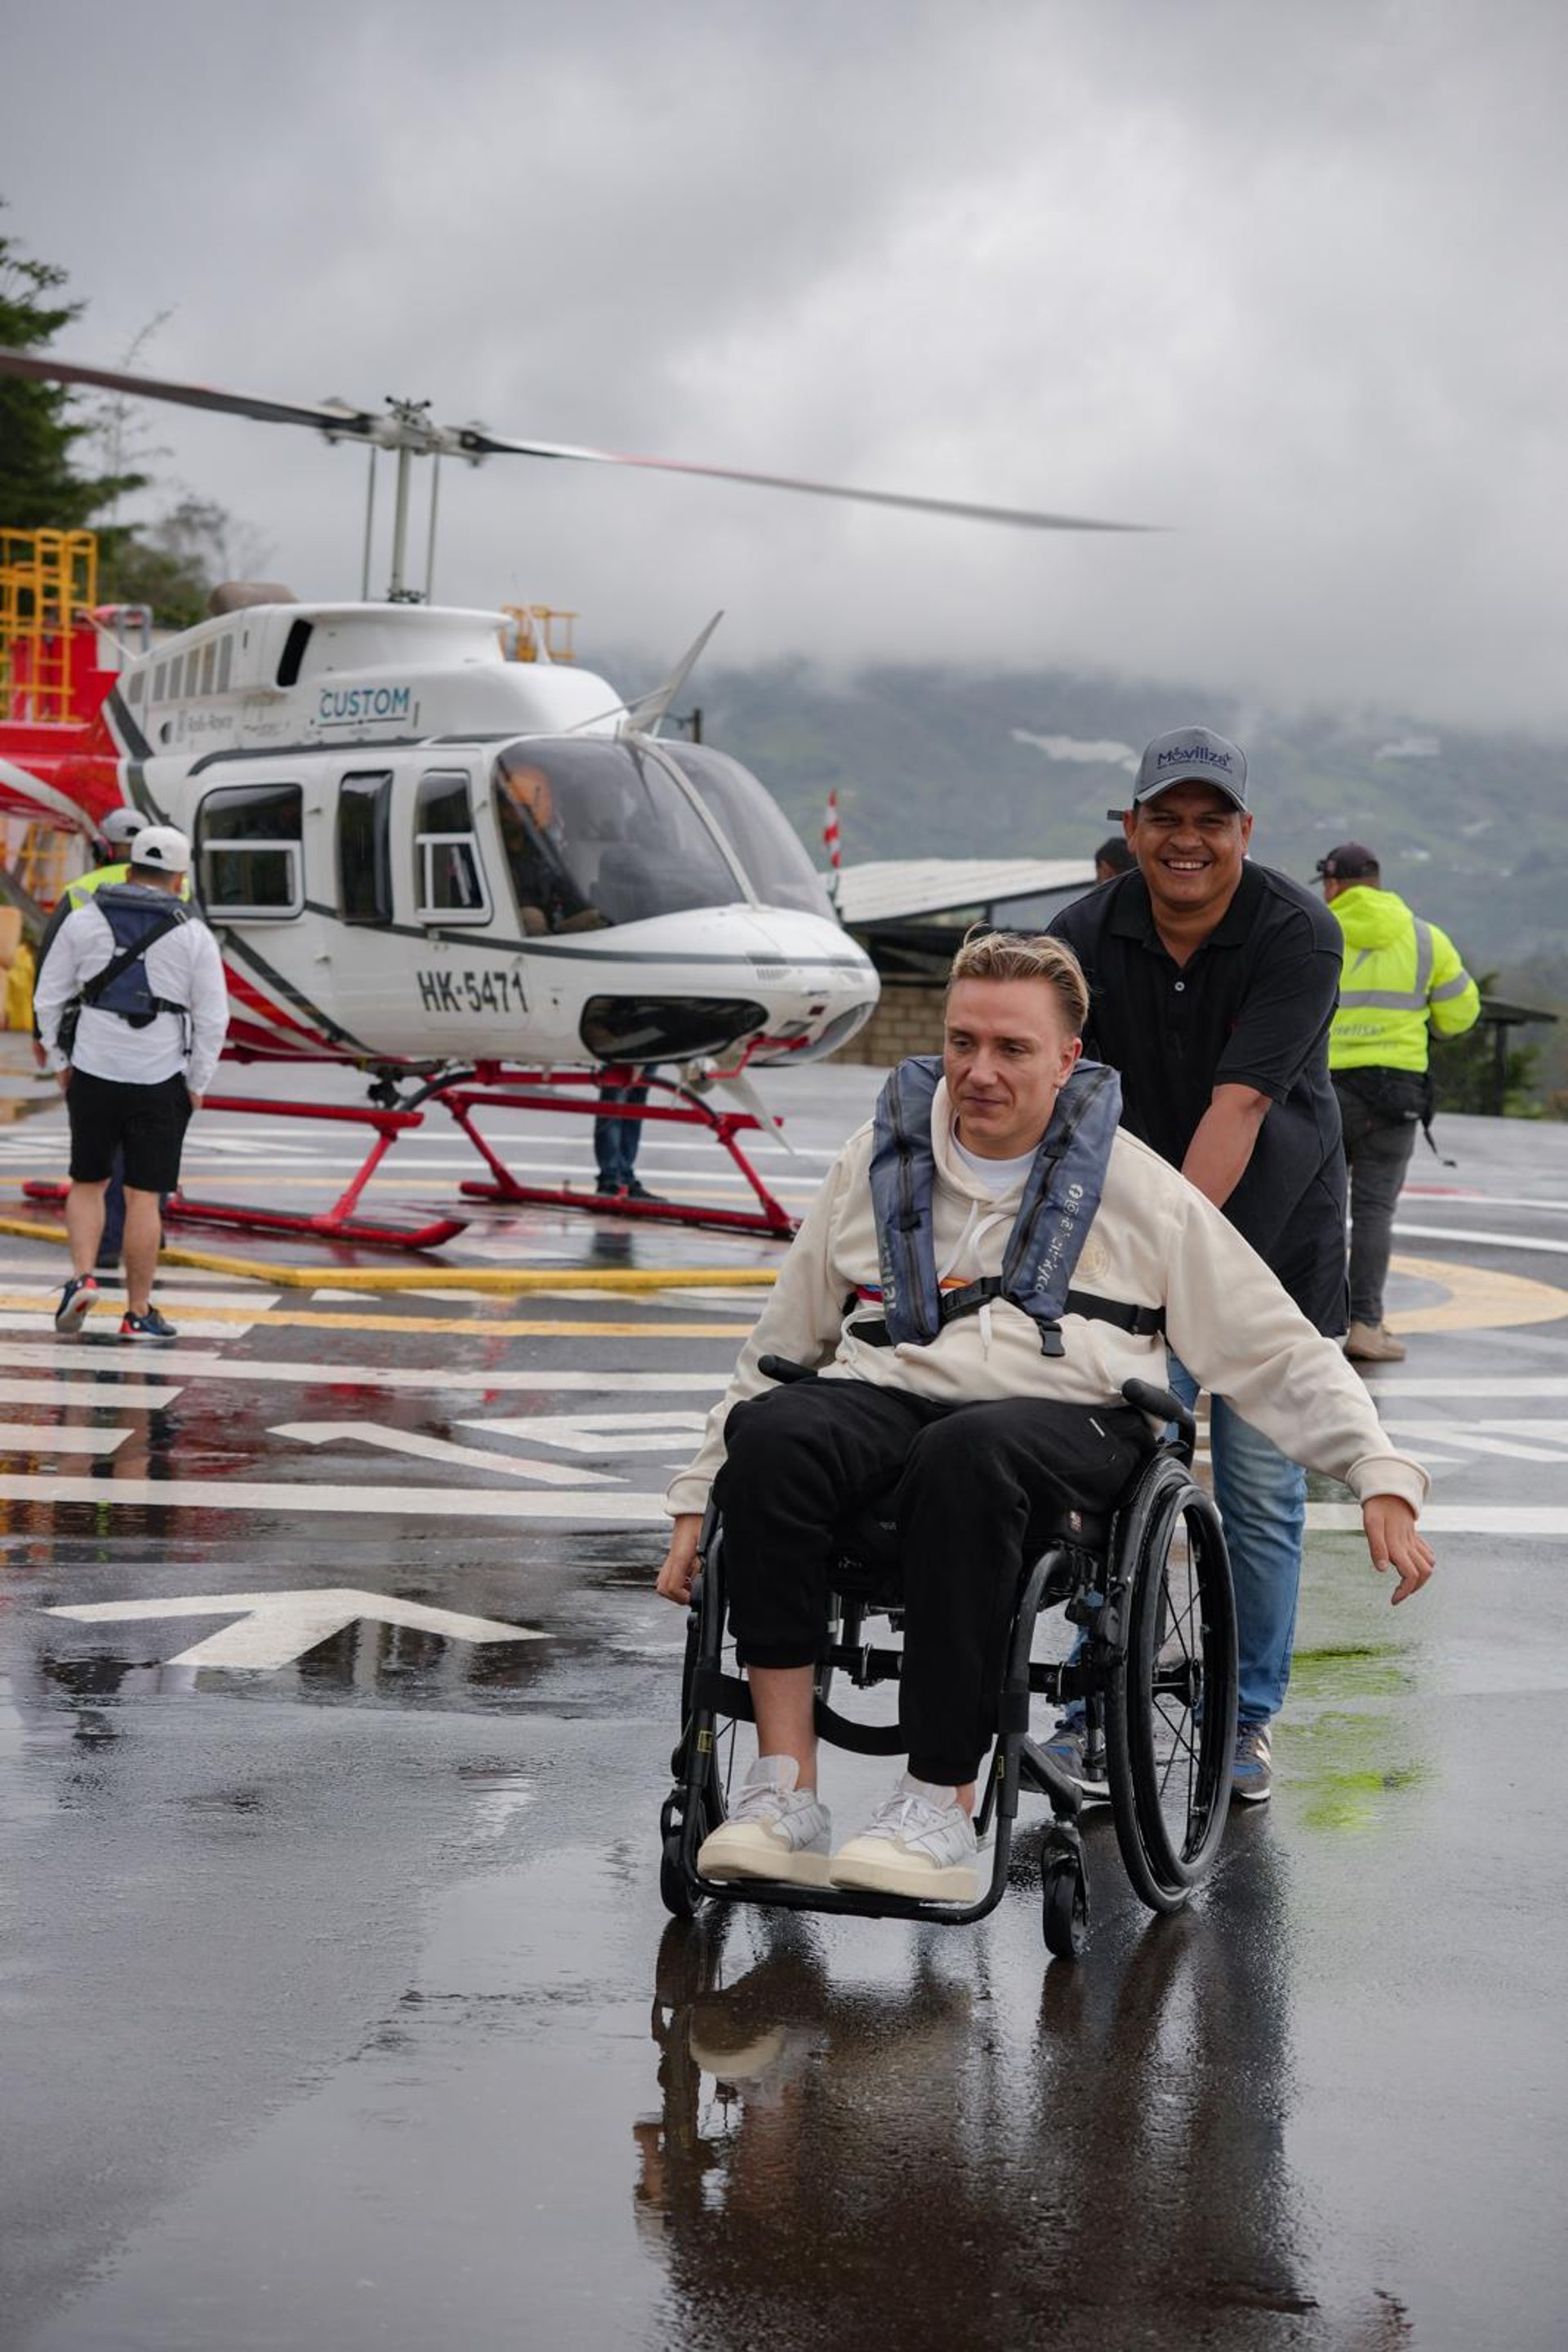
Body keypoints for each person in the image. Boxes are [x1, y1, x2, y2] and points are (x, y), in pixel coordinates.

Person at [654, 930, 1431, 1903]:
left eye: (1012, 1049)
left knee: (969, 1453)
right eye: (963, 1042)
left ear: (1069, 1058)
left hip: (1070, 1429)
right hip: (896, 1401)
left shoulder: (1139, 1186)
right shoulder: (877, 1159)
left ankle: (939, 1802)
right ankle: (785, 1793)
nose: (980, 1071)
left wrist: (1376, 1470)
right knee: (775, 1440)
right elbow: (779, 1345)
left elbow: (1271, 1343)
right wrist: (697, 1493)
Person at [1048, 727, 1348, 1805]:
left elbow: (1241, 1106)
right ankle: (1089, 1710)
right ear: (1131, 831)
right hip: (1125, 1248)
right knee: (1111, 1476)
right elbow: (1054, 1102)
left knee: (1262, 1488)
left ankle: (1244, 1717)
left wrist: (1171, 1259)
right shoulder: (1079, 936)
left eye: (1208, 822)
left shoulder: (1297, 933)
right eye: (1163, 820)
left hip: (1272, 1244)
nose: (1186, 841)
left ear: (1244, 834)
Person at [34, 824, 229, 1341]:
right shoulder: (193, 934)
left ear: (129, 867)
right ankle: (138, 1310)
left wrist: (59, 1061)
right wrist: (196, 1082)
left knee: (88, 1181)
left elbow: (47, 998)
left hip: (93, 1072)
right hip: (160, 1078)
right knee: (144, 1196)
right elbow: (213, 1019)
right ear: (180, 876)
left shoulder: (84, 919)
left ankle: (82, 1278)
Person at [1316, 843, 1481, 1365]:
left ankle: (1312, 1326)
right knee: (1373, 1212)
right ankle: (1366, 1324)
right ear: (1378, 881)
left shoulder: (1316, 931)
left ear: (1335, 884)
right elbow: (1461, 1017)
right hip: (1395, 1095)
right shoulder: (1426, 939)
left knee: (1318, 1208)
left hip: (1326, 1090)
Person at [33, 808, 187, 1269]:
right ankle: (145, 1244)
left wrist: (48, 1042)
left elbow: (50, 975)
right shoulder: (182, 895)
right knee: (149, 1163)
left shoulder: (82, 892)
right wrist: (198, 1071)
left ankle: (97, 1254)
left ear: (103, 847)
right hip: (161, 1049)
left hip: (92, 1044)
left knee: (94, 1166)